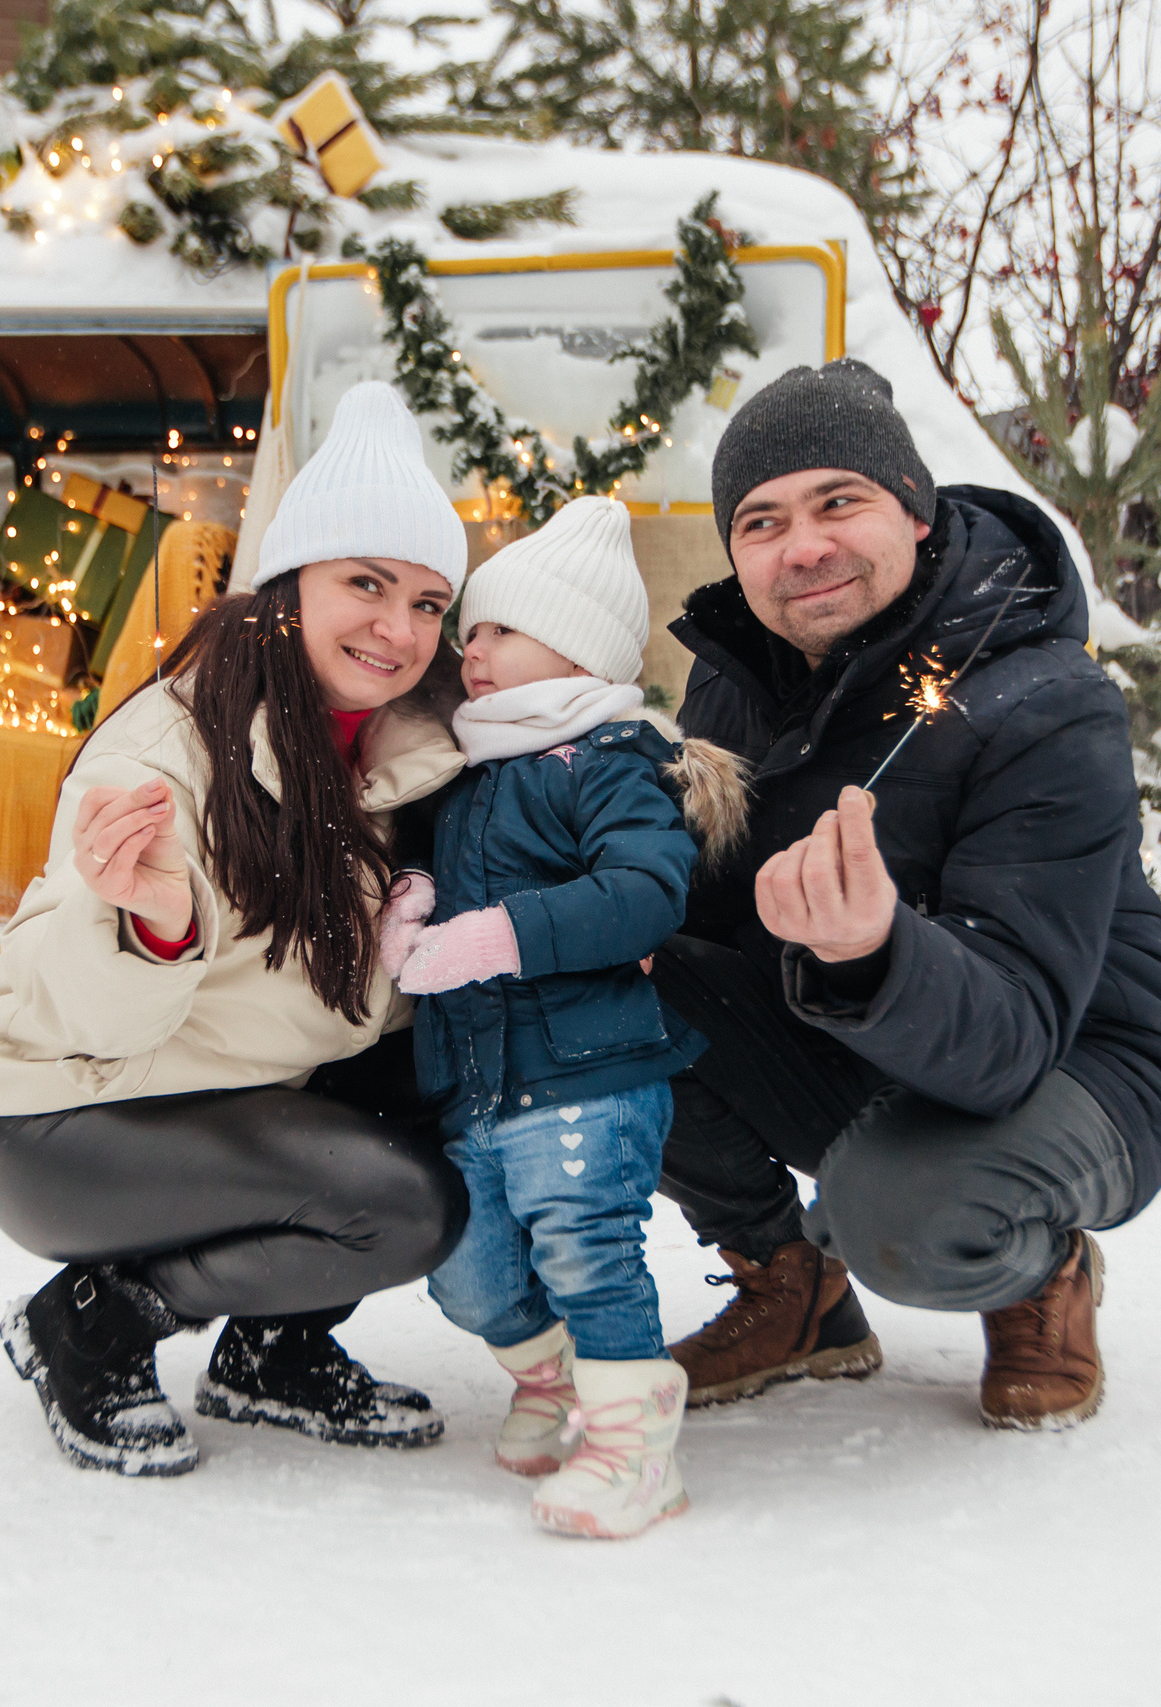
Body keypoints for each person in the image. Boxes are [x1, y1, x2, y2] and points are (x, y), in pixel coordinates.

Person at [653, 358, 1161, 1431]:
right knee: (592, 1000)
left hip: (1077, 1065)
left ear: (913, 511)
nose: (801, 546)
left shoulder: (1042, 700)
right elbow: (703, 920)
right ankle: (791, 1288)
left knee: (900, 1214)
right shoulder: (731, 681)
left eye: (837, 502)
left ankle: (1035, 1273)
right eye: (760, 522)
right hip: (850, 1034)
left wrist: (872, 951)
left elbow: (1011, 1037)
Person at [0, 381, 476, 1477]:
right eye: (366, 584)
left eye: (429, 601)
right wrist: (156, 930)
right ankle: (91, 1320)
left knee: (449, 1081)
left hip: (223, 1097)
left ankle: (272, 1354)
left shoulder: (395, 753)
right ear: (289, 585)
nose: (397, 627)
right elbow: (82, 1021)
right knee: (400, 1203)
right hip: (64, 1118)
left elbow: (351, 998)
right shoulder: (167, 753)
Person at [393, 496, 746, 1538]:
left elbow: (645, 891)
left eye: (500, 629)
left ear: (579, 646)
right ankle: (548, 1379)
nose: (473, 650)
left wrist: (498, 935)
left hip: (588, 1072)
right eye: (471, 633)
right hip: (471, 1080)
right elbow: (442, 880)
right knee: (467, 1271)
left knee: (588, 1251)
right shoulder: (470, 773)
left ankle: (633, 1445)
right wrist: (409, 898)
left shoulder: (610, 761)